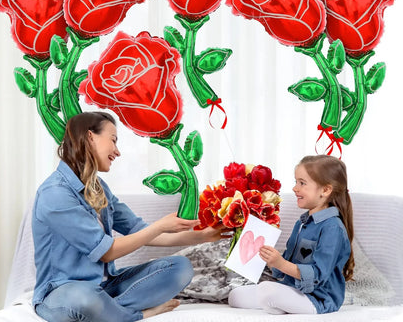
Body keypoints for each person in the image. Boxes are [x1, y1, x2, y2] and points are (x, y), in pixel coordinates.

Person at [32, 111, 227, 321]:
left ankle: (107, 312)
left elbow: (141, 231)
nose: (117, 152)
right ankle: (136, 314)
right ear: (90, 137)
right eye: (113, 140)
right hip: (62, 292)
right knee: (86, 301)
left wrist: (202, 236)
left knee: (180, 268)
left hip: (105, 287)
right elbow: (106, 252)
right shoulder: (55, 193)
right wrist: (160, 226)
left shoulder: (99, 188)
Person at [228, 155, 354, 314]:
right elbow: (286, 264)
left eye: (302, 183)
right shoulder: (301, 223)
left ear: (325, 190)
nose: (295, 188)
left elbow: (318, 275)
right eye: (296, 182)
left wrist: (280, 263)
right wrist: (271, 260)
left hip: (318, 298)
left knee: (268, 291)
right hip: (292, 289)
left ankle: (279, 303)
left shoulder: (332, 228)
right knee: (235, 296)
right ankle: (280, 303)